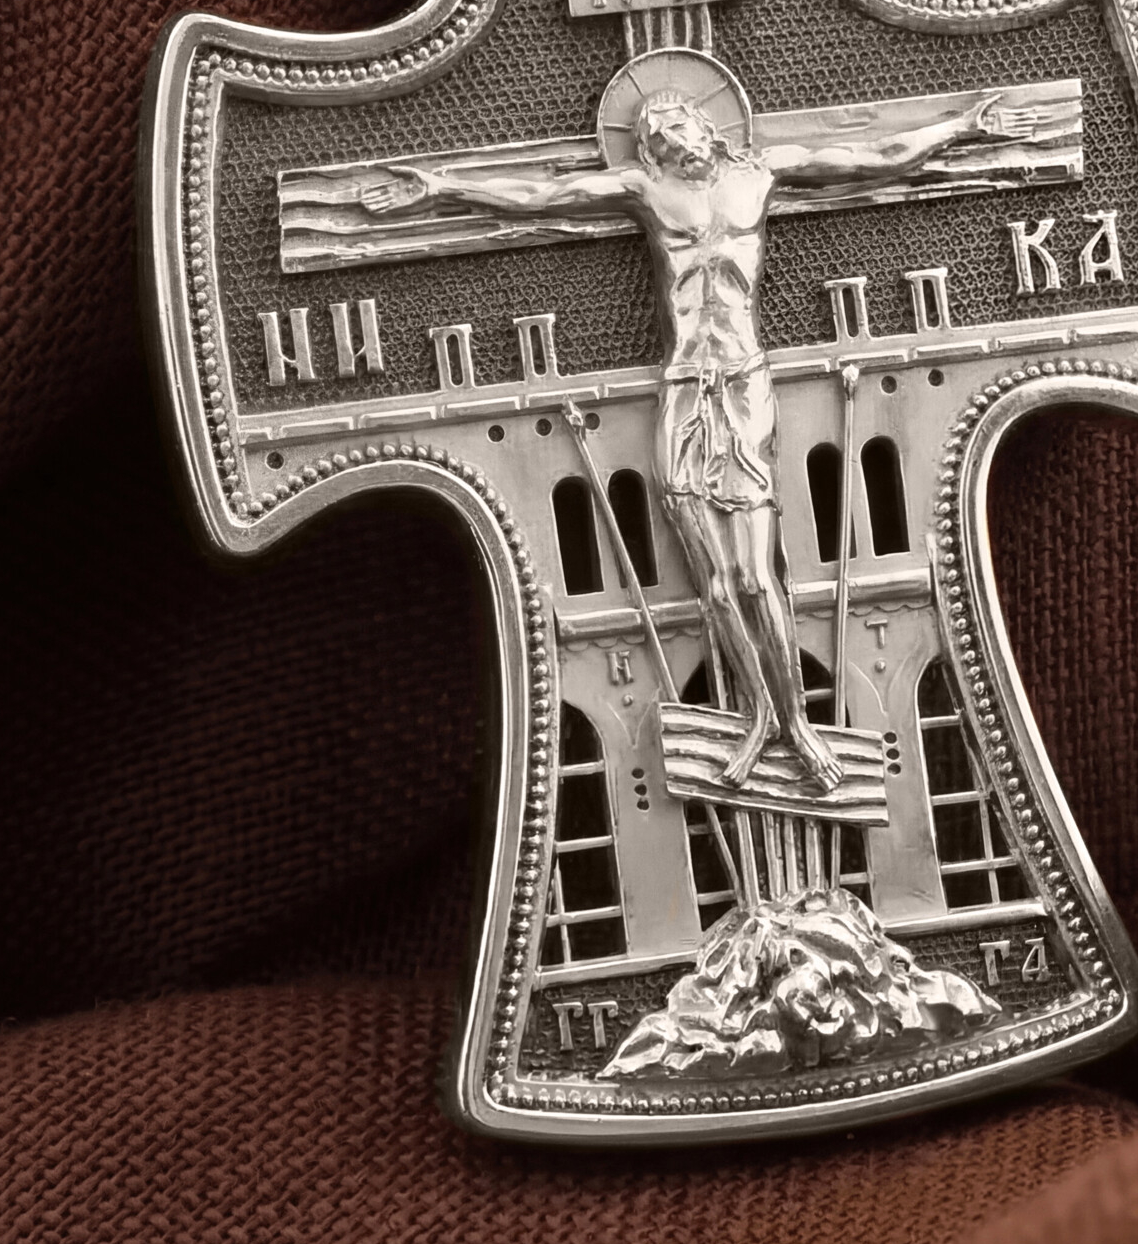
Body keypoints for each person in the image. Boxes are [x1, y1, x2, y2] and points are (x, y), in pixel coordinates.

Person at [364, 66, 1001, 794]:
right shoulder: (646, 190)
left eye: (677, 127)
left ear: (707, 127)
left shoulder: (759, 173)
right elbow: (543, 197)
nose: (670, 142)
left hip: (742, 386)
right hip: (682, 387)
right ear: (650, 153)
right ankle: (760, 717)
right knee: (716, 586)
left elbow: (875, 156)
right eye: (656, 139)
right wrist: (440, 186)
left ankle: (797, 725)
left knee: (757, 576)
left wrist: (962, 125)